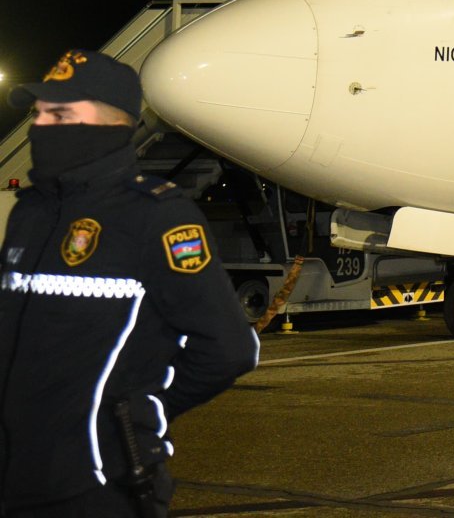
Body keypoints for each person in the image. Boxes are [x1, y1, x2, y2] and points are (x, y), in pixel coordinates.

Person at [0, 50, 260, 517]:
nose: (40, 127)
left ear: (111, 125)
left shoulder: (157, 216)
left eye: (60, 115)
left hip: (98, 483)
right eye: (38, 115)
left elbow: (229, 348)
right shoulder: (30, 212)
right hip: (13, 480)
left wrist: (138, 414)